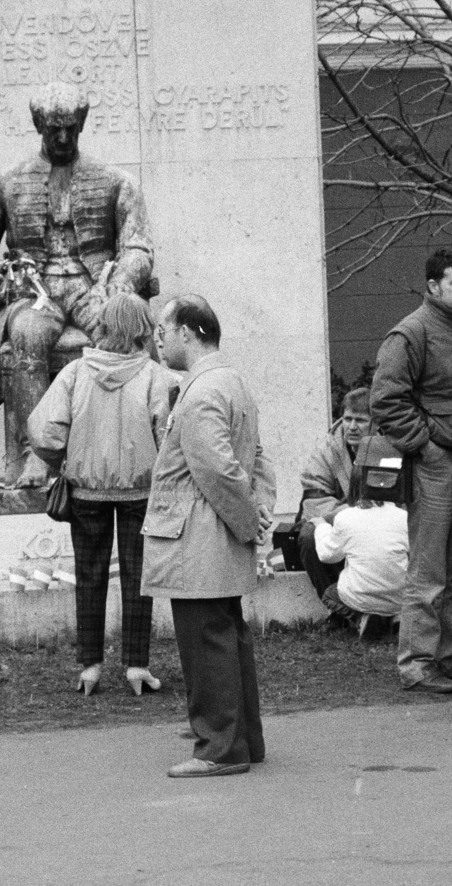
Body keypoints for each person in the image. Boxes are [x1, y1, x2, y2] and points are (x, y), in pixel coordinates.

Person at [0, 81, 155, 488]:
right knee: (27, 334)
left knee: (119, 334)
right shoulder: (4, 183)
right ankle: (37, 454)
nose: (63, 138)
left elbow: (137, 247)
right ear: (38, 126)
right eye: (53, 130)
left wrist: (120, 282)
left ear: (81, 124)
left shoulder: (116, 181)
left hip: (94, 286)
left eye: (70, 129)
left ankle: (121, 449)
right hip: (35, 292)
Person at [141, 295, 275, 778]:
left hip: (197, 538)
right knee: (226, 638)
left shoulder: (200, 392)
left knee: (206, 645)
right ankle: (243, 742)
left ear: (187, 332)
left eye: (162, 330)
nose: (157, 340)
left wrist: (250, 521)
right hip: (216, 535)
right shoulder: (230, 381)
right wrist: (259, 512)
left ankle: (219, 750)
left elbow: (217, 469)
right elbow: (257, 458)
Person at [27, 293, 179, 697]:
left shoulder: (75, 372)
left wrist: (64, 461)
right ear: (142, 328)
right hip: (140, 494)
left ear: (103, 325)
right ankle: (136, 666)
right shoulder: (157, 377)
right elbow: (168, 437)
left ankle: (90, 667)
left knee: (89, 577)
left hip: (85, 494)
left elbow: (43, 432)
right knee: (138, 578)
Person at [370, 249, 452, 693]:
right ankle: (417, 665)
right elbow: (385, 400)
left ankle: (450, 658)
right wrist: (424, 446)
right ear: (432, 287)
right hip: (436, 464)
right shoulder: (411, 333)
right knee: (428, 572)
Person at [294, 387, 370, 607]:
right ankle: (340, 609)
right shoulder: (327, 449)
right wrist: (351, 515)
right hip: (341, 523)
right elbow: (313, 501)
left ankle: (384, 610)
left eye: (361, 420)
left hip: (381, 527)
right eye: (347, 419)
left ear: (376, 422)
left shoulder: (391, 448)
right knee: (309, 535)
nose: (352, 426)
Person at [307, 499, 408, 638]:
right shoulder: (403, 516)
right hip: (400, 596)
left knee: (329, 595)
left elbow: (327, 555)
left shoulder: (345, 517)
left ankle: (361, 619)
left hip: (361, 596)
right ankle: (397, 618)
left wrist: (322, 526)